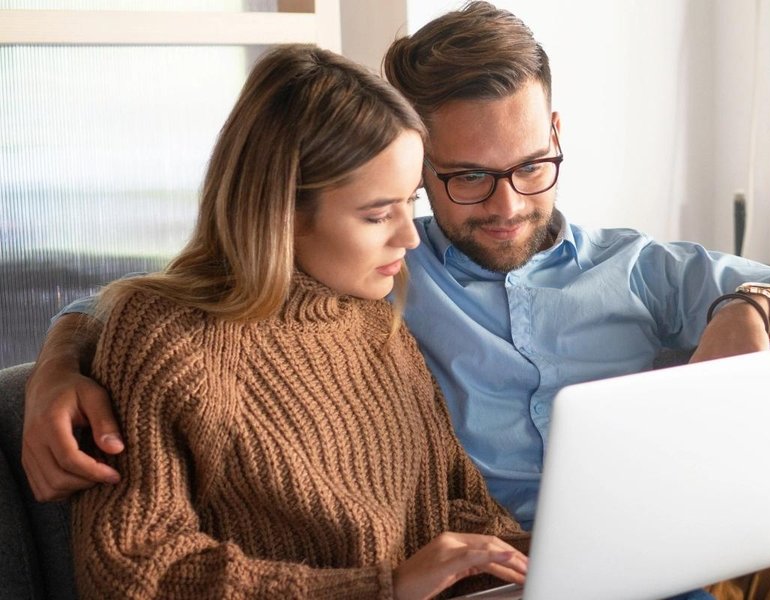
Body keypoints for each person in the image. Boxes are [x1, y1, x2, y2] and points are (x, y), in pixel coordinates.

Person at [25, 3, 770, 599]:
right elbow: (198, 302)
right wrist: (66, 360)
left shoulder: (636, 269)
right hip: (522, 590)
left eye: (535, 164)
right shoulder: (385, 292)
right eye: (462, 182)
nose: (506, 205)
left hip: (719, 577)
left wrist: (756, 313)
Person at [67, 44, 529, 599]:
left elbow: (454, 504)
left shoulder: (371, 321)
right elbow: (135, 569)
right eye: (378, 213)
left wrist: (537, 557)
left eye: (411, 202)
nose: (409, 236)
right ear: (281, 210)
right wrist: (383, 588)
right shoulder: (167, 338)